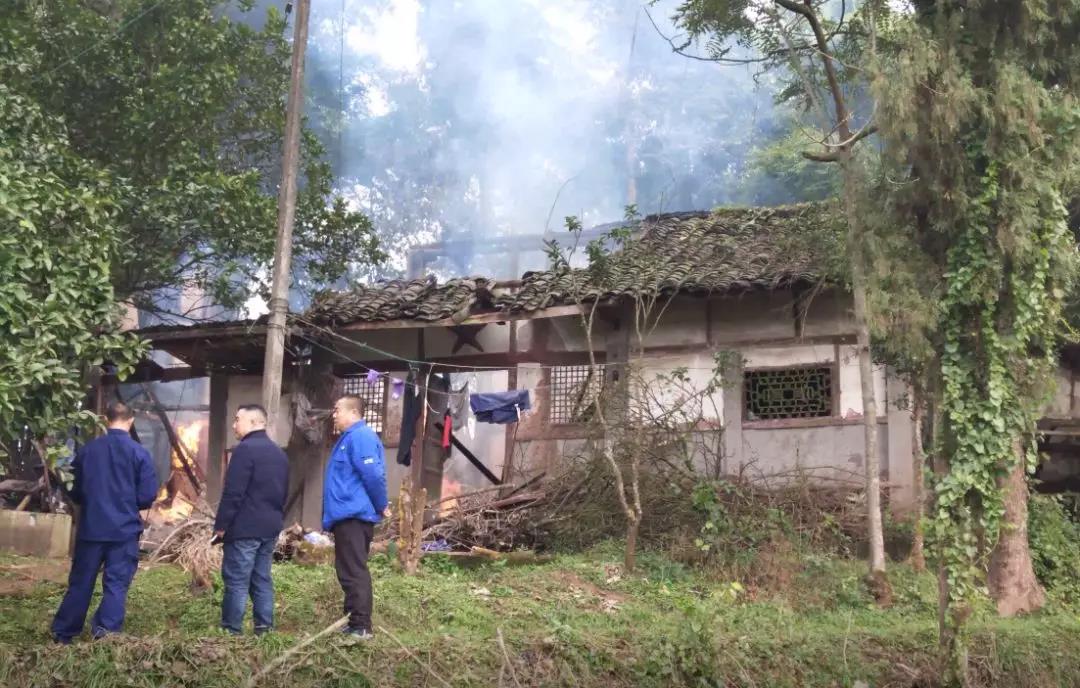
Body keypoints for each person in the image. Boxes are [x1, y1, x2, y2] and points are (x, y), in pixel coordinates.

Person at [51, 401, 159, 644]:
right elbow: (147, 495)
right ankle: (105, 635)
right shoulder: (139, 453)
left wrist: (90, 502)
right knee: (116, 584)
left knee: (81, 582)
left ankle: (64, 634)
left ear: (105, 419)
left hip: (91, 528)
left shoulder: (88, 451)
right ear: (130, 421)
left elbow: (74, 489)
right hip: (124, 532)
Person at [213, 404, 289, 635]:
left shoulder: (244, 450)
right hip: (270, 527)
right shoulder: (279, 453)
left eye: (238, 419)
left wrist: (221, 526)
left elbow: (233, 492)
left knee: (236, 580)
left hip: (245, 528)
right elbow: (283, 492)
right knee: (261, 579)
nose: (234, 424)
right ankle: (264, 629)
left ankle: (231, 631)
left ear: (255, 422)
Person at [323, 394, 388, 639]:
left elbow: (372, 474)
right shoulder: (347, 439)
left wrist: (381, 504)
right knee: (346, 569)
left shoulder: (361, 437)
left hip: (354, 515)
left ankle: (361, 626)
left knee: (354, 570)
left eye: (338, 409)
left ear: (353, 412)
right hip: (345, 515)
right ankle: (352, 620)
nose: (334, 414)